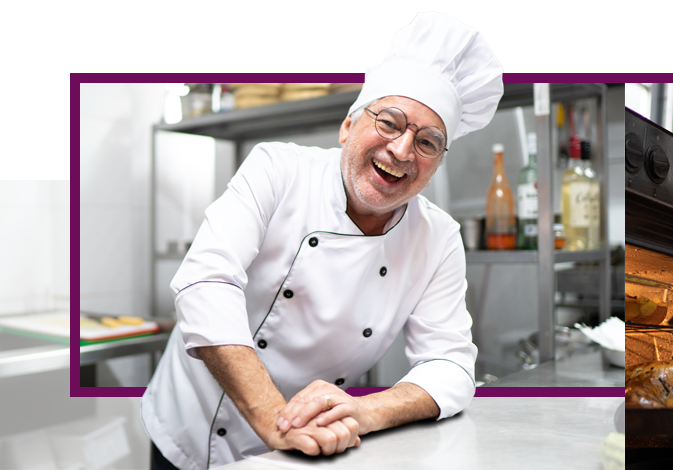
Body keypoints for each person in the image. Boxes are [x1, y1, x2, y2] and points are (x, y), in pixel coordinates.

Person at [140, 12, 503, 470]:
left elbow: (451, 366)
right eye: (389, 122)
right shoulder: (277, 169)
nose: (402, 150)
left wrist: (363, 411)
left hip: (309, 448)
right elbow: (204, 283)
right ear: (348, 127)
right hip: (188, 431)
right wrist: (274, 416)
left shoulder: (439, 237)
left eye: (428, 142)